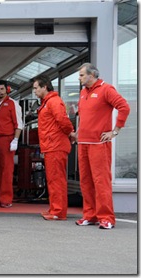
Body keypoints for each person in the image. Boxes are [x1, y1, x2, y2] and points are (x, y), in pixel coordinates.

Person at [70, 63, 130, 229]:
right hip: (83, 143)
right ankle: (90, 215)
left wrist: (115, 131)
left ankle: (107, 218)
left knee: (101, 181)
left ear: (92, 75)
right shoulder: (83, 92)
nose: (79, 78)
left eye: (82, 75)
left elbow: (124, 107)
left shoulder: (106, 89)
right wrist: (77, 133)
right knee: (86, 181)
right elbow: (83, 117)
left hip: (99, 143)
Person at [33, 75, 74, 220]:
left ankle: (58, 212)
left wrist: (71, 133)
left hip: (55, 145)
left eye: (36, 88)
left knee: (56, 179)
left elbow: (63, 120)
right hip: (52, 145)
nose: (34, 91)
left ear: (45, 87)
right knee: (53, 179)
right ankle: (54, 209)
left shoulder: (53, 102)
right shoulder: (48, 102)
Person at [0, 80, 23, 208]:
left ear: (7, 89)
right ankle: (0, 197)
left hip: (7, 139)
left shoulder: (13, 104)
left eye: (2, 89)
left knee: (7, 170)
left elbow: (19, 124)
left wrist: (15, 140)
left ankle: (6, 199)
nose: (0, 92)